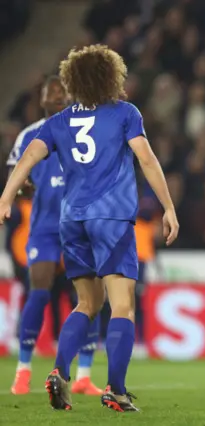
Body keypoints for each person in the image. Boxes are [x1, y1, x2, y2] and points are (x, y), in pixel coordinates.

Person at [0, 44, 179, 412]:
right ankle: (116, 389)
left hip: (72, 221)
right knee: (122, 307)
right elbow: (145, 157)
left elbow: (28, 158)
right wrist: (168, 206)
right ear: (111, 76)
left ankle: (60, 372)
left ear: (74, 81)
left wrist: (5, 197)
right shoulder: (125, 113)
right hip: (111, 219)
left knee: (87, 302)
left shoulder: (58, 121)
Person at [7, 76, 101, 396]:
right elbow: (15, 175)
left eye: (63, 92)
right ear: (42, 98)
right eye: (52, 92)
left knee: (89, 299)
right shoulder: (29, 136)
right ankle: (23, 371)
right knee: (40, 292)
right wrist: (18, 189)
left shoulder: (85, 131)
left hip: (80, 228)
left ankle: (85, 375)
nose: (58, 96)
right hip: (45, 229)